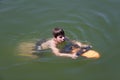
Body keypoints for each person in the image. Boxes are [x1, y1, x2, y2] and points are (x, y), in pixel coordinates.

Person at [33, 27, 100, 59]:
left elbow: (74, 42)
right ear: (55, 37)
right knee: (38, 56)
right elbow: (57, 54)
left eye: (63, 36)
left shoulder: (65, 38)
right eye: (60, 37)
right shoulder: (52, 44)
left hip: (45, 41)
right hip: (40, 47)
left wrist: (82, 45)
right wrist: (71, 56)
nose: (63, 38)